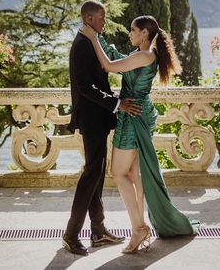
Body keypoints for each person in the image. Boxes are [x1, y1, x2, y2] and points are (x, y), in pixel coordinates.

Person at [81, 14, 200, 253]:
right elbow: (116, 57)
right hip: (136, 111)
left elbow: (109, 66)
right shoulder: (143, 55)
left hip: (133, 114)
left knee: (118, 172)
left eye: (133, 30)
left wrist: (93, 39)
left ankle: (138, 229)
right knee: (134, 173)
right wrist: (98, 36)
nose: (130, 33)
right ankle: (140, 227)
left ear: (144, 33)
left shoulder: (145, 56)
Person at [62, 0, 142, 256]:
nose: (104, 22)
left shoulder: (90, 42)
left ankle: (98, 231)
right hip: (91, 118)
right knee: (91, 174)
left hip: (97, 117)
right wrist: (117, 103)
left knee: (95, 173)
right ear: (88, 18)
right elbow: (87, 88)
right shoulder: (82, 45)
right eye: (101, 18)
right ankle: (71, 234)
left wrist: (115, 101)